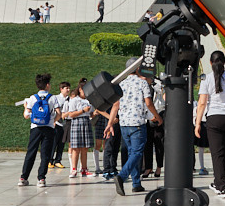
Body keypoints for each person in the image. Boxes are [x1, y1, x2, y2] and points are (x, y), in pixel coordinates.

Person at [106, 60, 162, 195]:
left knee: (132, 153)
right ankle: (122, 176)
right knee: (137, 153)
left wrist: (110, 123)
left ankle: (136, 183)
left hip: (124, 124)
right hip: (137, 123)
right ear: (137, 69)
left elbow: (115, 105)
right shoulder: (142, 83)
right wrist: (157, 116)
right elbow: (148, 103)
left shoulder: (122, 84)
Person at [195, 51, 225, 197]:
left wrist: (197, 123)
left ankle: (222, 186)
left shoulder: (206, 78)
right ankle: (220, 181)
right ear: (224, 62)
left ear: (211, 63)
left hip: (214, 118)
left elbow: (202, 103)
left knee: (217, 154)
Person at [19, 73, 57, 187]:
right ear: (47, 85)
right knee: (45, 154)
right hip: (48, 128)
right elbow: (59, 113)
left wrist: (26, 107)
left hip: (35, 128)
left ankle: (23, 177)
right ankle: (41, 178)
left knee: (31, 152)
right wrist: (53, 121)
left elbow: (26, 115)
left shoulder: (32, 98)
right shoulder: (53, 98)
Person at [63, 80, 96, 177]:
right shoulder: (74, 100)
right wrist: (82, 110)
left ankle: (84, 169)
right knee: (76, 148)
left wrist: (94, 113)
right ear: (80, 89)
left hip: (86, 122)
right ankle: (73, 169)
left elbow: (90, 114)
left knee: (85, 148)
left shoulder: (89, 100)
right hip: (77, 122)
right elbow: (71, 114)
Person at [49, 81, 72, 169]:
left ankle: (58, 160)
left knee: (61, 143)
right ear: (61, 89)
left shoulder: (70, 99)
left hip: (65, 124)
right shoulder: (56, 98)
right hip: (57, 123)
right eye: (66, 88)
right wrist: (54, 121)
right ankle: (50, 160)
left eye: (69, 88)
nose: (68, 90)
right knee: (54, 142)